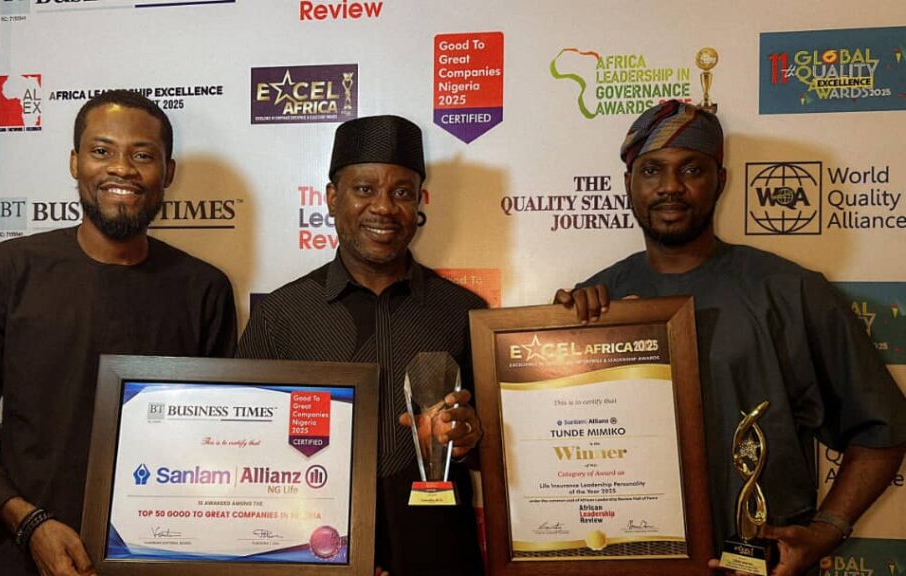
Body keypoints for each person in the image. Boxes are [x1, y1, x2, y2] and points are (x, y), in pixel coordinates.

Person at [557, 99, 906, 576]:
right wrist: (558, 337)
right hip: (629, 561)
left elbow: (882, 429)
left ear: (720, 181)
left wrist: (826, 531)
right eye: (652, 170)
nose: (670, 186)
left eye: (692, 169)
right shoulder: (595, 304)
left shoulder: (790, 290)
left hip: (755, 563)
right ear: (628, 184)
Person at [0, 90, 238, 576]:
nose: (122, 169)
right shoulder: (3, 273)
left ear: (168, 172)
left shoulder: (204, 290)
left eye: (143, 155)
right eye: (102, 150)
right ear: (75, 162)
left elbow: (221, 439)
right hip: (23, 555)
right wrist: (27, 522)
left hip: (162, 558)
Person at [238, 115, 485, 576]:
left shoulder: (463, 311)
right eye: (365, 189)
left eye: (402, 192)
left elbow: (496, 451)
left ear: (419, 202)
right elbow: (243, 450)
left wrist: (471, 438)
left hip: (438, 554)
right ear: (333, 198)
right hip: (314, 556)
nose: (384, 207)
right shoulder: (281, 315)